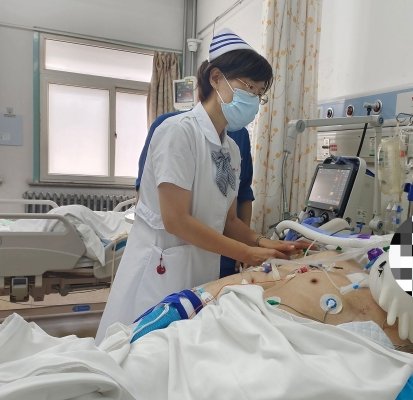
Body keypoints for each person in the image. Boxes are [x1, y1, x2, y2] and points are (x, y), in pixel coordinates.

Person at [96, 29, 304, 344]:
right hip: (159, 272)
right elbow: (176, 220)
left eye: (260, 93)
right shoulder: (178, 132)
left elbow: (229, 220)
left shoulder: (230, 150)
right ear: (216, 78)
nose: (254, 100)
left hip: (201, 271)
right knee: (141, 353)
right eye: (249, 87)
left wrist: (266, 244)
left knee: (185, 353)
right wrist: (247, 253)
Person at [127, 250, 413, 400]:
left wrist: (367, 349)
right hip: (236, 321)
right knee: (136, 372)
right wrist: (188, 301)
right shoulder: (338, 262)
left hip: (291, 360)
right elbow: (253, 277)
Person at [136, 117, 255, 279]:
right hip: (167, 258)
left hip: (216, 253)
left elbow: (232, 215)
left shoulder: (233, 146)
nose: (255, 105)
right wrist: (247, 251)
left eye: (260, 100)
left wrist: (257, 243)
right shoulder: (175, 129)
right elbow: (172, 218)